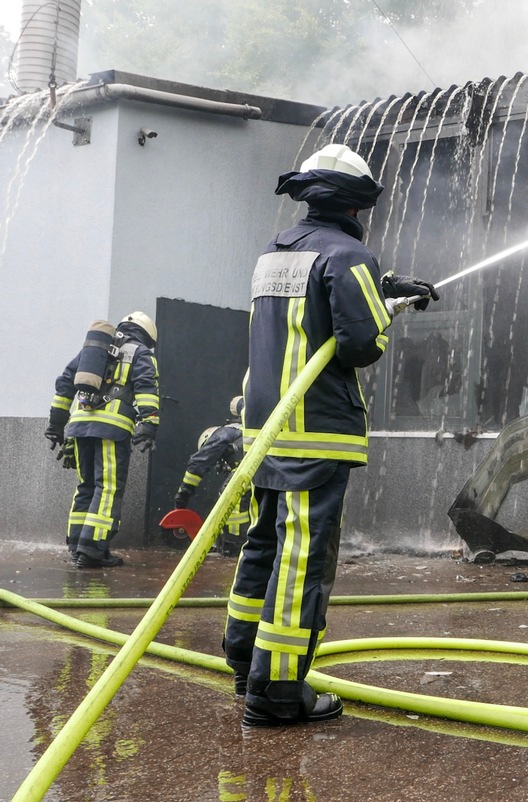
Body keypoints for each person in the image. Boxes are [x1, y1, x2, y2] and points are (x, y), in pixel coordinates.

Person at [224, 143, 439, 727]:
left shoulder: (274, 253)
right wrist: (387, 305)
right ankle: (277, 693)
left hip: (266, 428)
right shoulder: (350, 254)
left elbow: (311, 308)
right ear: (355, 204)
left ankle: (245, 664)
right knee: (302, 560)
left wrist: (383, 284)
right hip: (315, 427)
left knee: (264, 545)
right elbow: (358, 344)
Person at [45, 312, 160, 569]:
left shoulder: (96, 349)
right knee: (107, 487)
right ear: (147, 334)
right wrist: (149, 423)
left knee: (86, 485)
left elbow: (65, 382)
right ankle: (93, 550)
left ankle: (77, 546)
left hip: (78, 426)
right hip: (112, 428)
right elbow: (146, 386)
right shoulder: (141, 352)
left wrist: (55, 424)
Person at [173, 396, 250, 556]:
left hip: (250, 465)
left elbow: (198, 463)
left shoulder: (223, 433)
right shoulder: (239, 432)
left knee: (230, 496)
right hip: (263, 466)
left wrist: (184, 493)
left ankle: (233, 546)